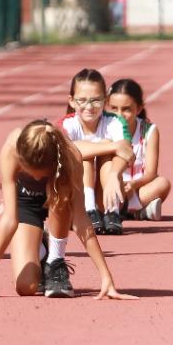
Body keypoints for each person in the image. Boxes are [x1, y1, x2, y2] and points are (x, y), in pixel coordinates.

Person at [0, 119, 136, 300]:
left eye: (40, 174)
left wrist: (106, 277)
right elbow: (10, 218)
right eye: (30, 172)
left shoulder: (70, 156)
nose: (35, 177)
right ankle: (41, 247)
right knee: (26, 286)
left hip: (57, 200)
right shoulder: (11, 149)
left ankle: (55, 260)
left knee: (59, 191)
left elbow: (81, 220)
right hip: (27, 202)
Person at [59, 68, 134, 234]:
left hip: (108, 192)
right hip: (77, 196)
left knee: (107, 154)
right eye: (82, 100)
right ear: (71, 101)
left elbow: (127, 152)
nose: (89, 107)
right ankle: (88, 210)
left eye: (96, 100)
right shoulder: (66, 125)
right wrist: (113, 145)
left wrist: (114, 175)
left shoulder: (115, 122)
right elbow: (70, 150)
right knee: (84, 157)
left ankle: (112, 212)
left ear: (105, 100)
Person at [105, 78, 170, 221]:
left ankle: (126, 211)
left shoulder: (149, 130)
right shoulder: (104, 128)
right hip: (109, 188)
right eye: (114, 108)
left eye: (126, 109)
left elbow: (151, 173)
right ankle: (138, 212)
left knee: (163, 183)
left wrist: (133, 185)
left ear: (139, 108)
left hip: (136, 190)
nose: (119, 115)